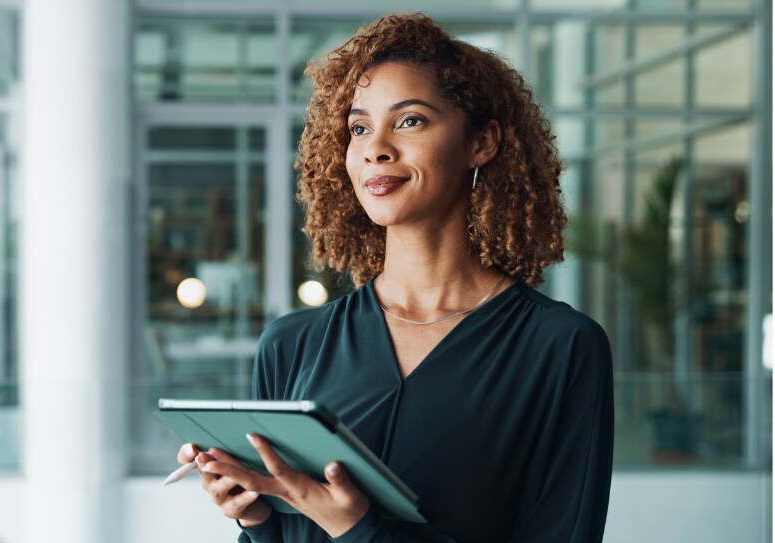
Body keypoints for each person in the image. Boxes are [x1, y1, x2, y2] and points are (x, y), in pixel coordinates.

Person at [175, 12, 614, 543]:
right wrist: (256, 516)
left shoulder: (560, 348)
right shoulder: (291, 346)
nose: (375, 147)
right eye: (359, 128)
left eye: (410, 121)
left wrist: (358, 528)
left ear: (483, 142)